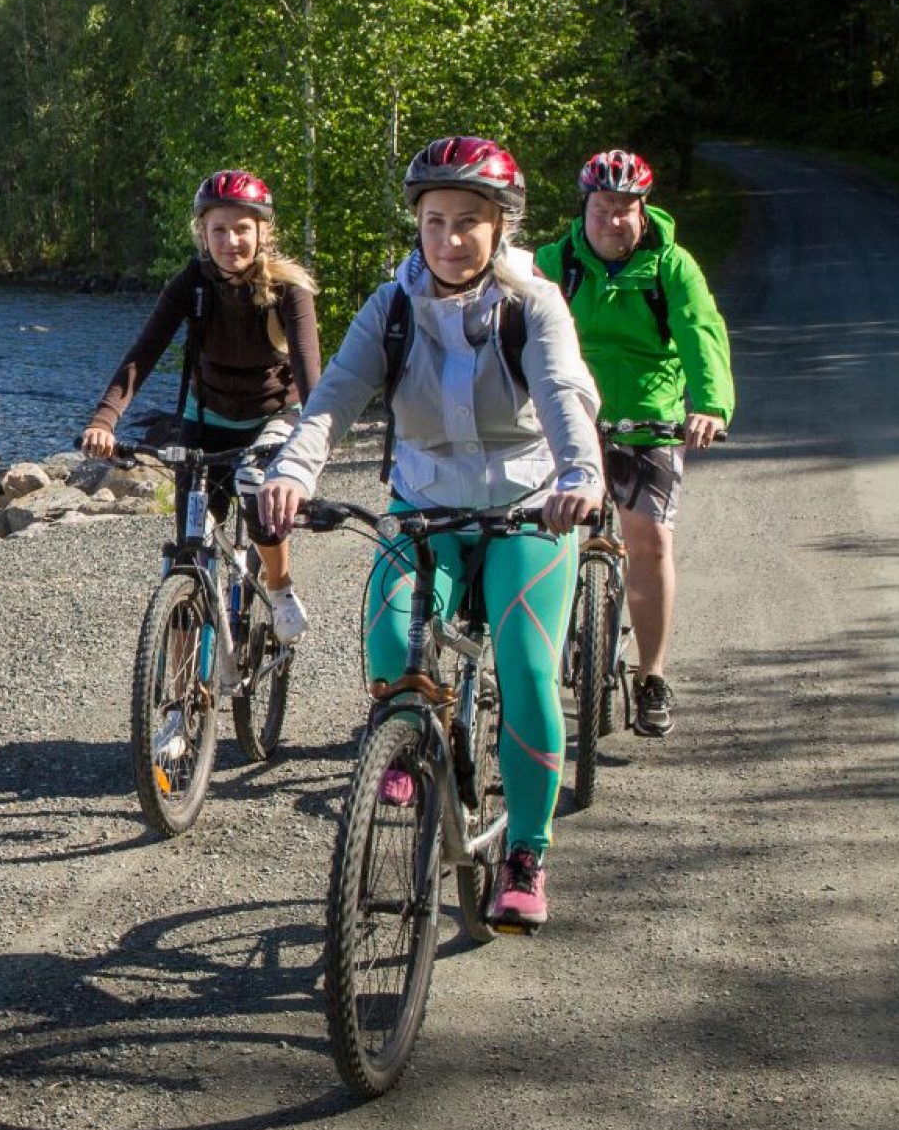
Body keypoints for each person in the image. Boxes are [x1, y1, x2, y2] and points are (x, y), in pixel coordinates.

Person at [255, 137, 602, 930]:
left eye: (469, 223)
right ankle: (414, 739)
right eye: (435, 221)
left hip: (530, 507)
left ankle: (525, 852)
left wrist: (581, 478)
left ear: (501, 227)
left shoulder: (533, 305)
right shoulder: (392, 307)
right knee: (388, 640)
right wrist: (293, 474)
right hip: (424, 509)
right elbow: (335, 398)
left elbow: (559, 393)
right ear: (417, 224)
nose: (449, 239)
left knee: (524, 670)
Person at [531, 149, 734, 738]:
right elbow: (515, 329)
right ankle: (532, 670)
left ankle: (651, 676)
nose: (611, 221)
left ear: (643, 212)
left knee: (648, 544)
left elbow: (701, 331)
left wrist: (709, 406)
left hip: (650, 418)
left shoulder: (672, 265)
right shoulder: (555, 263)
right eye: (601, 208)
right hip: (569, 417)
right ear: (584, 209)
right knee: (540, 540)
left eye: (624, 209)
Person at [78, 170, 326, 640]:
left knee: (257, 487)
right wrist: (104, 420)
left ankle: (278, 587)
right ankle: (181, 687)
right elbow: (143, 353)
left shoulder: (289, 290)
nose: (231, 240)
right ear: (203, 234)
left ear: (262, 232)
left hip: (273, 416)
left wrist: (310, 458)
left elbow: (311, 377)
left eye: (242, 229)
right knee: (191, 543)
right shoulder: (191, 284)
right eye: (219, 229)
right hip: (205, 415)